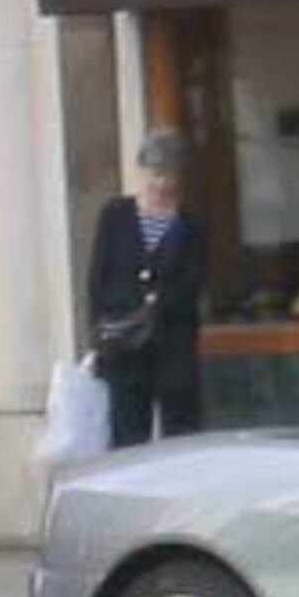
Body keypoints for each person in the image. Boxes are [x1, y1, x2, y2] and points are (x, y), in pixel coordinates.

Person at [87, 130, 208, 450]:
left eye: (170, 174)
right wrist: (101, 336)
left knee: (182, 437)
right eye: (156, 173)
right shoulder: (115, 215)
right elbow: (98, 279)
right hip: (124, 345)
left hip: (173, 345)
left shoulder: (191, 221)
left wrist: (159, 302)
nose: (162, 183)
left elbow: (194, 280)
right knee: (128, 438)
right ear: (141, 171)